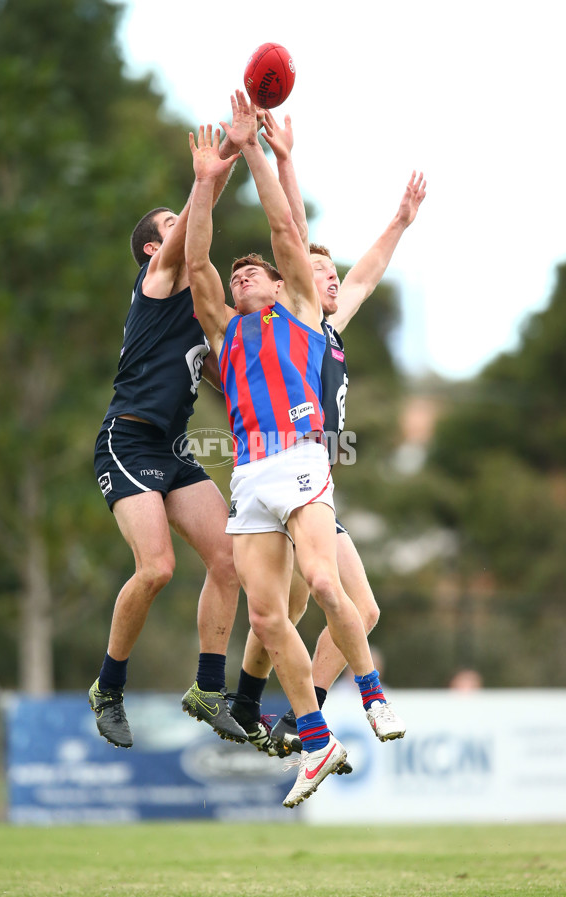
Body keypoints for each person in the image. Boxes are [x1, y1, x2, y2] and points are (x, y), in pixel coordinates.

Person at [185, 91, 388, 808]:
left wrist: (270, 154)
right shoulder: (223, 331)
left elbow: (284, 227)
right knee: (270, 616)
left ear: (281, 283)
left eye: (256, 271)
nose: (244, 275)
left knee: (333, 592)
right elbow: (199, 259)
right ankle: (305, 729)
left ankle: (366, 696)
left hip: (303, 459)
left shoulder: (300, 311)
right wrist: (208, 180)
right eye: (239, 276)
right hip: (249, 476)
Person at [225, 110, 426, 760]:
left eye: (334, 271)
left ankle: (276, 713)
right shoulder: (290, 321)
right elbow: (290, 234)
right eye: (322, 270)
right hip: (284, 471)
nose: (335, 276)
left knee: (354, 611)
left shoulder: (330, 329)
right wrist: (277, 160)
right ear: (294, 287)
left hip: (314, 479)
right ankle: (256, 705)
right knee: (296, 602)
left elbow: (366, 273)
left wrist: (398, 222)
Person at [88, 117, 254, 750]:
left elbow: (201, 219)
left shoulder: (197, 304)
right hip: (126, 444)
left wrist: (235, 149)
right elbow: (194, 223)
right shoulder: (156, 283)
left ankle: (208, 688)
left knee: (230, 559)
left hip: (173, 450)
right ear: (154, 251)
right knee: (155, 568)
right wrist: (209, 176)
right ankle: (109, 688)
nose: (180, 228)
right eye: (168, 227)